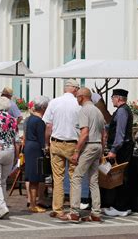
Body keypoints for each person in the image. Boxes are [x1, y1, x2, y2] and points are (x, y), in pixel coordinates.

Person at [60, 88, 105, 222]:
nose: (76, 99)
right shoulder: (98, 111)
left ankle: (74, 212)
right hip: (98, 145)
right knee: (93, 180)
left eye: (77, 97)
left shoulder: (84, 110)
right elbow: (104, 134)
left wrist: (76, 152)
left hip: (89, 145)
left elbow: (84, 133)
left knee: (76, 178)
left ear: (81, 97)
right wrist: (102, 150)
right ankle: (96, 213)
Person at [43, 79, 80, 218]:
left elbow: (48, 126)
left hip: (56, 142)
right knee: (73, 178)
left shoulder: (54, 102)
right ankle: (73, 208)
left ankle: (58, 208)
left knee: (57, 177)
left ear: (66, 88)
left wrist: (47, 143)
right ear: (75, 89)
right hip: (72, 143)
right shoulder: (78, 103)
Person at [103, 88, 134, 217]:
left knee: (120, 177)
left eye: (113, 97)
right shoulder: (123, 110)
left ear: (119, 98)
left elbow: (120, 133)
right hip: (124, 147)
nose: (112, 100)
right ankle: (121, 206)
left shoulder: (122, 111)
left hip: (122, 148)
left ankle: (121, 208)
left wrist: (114, 150)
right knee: (121, 176)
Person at [23, 96, 50, 213]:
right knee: (35, 177)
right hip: (35, 148)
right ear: (43, 107)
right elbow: (42, 140)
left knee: (31, 176)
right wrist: (46, 149)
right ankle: (33, 204)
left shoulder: (29, 119)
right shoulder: (39, 122)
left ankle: (32, 202)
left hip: (29, 146)